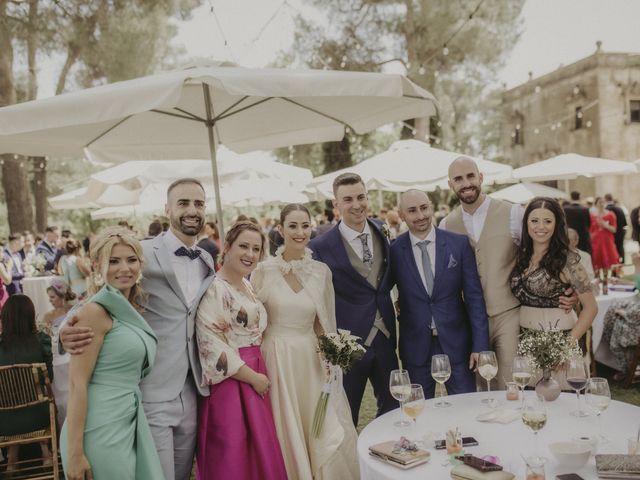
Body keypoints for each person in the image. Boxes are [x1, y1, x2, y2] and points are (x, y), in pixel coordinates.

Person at [61, 178, 216, 480]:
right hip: (152, 389)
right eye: (183, 203)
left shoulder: (207, 260)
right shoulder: (138, 254)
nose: (192, 210)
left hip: (193, 388)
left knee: (183, 473)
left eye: (198, 203)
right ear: (167, 209)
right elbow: (97, 299)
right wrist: (65, 333)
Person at [252, 204, 359, 479]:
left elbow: (322, 323)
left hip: (310, 358)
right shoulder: (263, 270)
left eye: (304, 225)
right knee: (285, 424)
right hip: (276, 357)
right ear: (280, 230)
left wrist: (330, 357)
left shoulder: (321, 272)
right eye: (293, 226)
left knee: (318, 425)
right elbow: (255, 323)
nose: (300, 232)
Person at [60, 227, 163, 480]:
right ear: (97, 266)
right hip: (99, 425)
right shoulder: (95, 312)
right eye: (113, 261)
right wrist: (75, 453)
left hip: (127, 416)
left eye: (131, 260)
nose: (124, 268)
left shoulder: (127, 308)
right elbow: (76, 384)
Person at [196, 221, 287, 480]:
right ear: (227, 247)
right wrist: (252, 377)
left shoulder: (246, 285)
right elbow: (210, 343)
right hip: (233, 380)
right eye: (243, 246)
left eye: (256, 249)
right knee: (234, 453)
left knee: (259, 449)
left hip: (256, 370)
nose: (250, 254)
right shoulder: (215, 288)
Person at [309, 172, 398, 424]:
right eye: (348, 199)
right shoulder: (320, 246)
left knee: (393, 407)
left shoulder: (382, 230)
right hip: (347, 343)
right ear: (336, 205)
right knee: (347, 416)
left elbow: (386, 277)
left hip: (385, 336)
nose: (356, 205)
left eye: (361, 197)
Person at [391, 190, 489, 399]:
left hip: (458, 345)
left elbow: (474, 298)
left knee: (465, 408)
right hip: (416, 348)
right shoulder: (394, 251)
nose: (420, 215)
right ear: (401, 215)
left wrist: (480, 345)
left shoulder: (459, 244)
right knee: (418, 412)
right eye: (412, 211)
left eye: (424, 208)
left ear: (431, 207)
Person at [439, 156, 524, 389]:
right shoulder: (446, 225)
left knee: (511, 383)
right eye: (458, 179)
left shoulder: (513, 213)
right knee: (482, 386)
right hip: (470, 320)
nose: (466, 183)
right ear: (451, 184)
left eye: (470, 176)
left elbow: (538, 256)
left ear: (481, 178)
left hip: (509, 313)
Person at [510, 197, 597, 384]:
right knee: (530, 404)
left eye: (547, 221)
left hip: (560, 342)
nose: (540, 227)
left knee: (563, 404)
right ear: (526, 224)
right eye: (534, 220)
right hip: (526, 343)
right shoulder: (520, 255)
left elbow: (591, 308)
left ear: (557, 224)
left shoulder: (569, 260)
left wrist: (566, 346)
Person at [0, 295, 53, 472]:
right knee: (44, 398)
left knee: (12, 400)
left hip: (4, 423)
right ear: (31, 316)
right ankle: (46, 452)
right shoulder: (40, 341)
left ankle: (12, 458)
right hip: (37, 419)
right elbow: (49, 378)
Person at [40, 279, 76, 426]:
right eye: (49, 298)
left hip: (72, 353)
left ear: (61, 295)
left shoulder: (74, 311)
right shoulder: (48, 316)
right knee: (61, 396)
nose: (50, 301)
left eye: (52, 297)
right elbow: (45, 336)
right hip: (57, 356)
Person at [590, 196, 619, 285]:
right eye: (600, 202)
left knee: (607, 259)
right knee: (596, 260)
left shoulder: (610, 214)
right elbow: (590, 230)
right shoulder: (592, 216)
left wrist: (605, 225)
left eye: (603, 202)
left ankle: (607, 280)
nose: (602, 204)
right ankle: (597, 280)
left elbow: (614, 229)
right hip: (596, 241)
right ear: (596, 204)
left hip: (607, 241)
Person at [568, 228, 597, 293]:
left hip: (581, 291)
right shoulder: (556, 256)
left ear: (576, 241)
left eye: (569, 240)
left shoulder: (585, 256)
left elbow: (590, 276)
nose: (566, 243)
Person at [605, 193, 627, 263]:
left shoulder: (606, 210)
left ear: (605, 199)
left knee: (611, 249)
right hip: (620, 231)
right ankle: (622, 260)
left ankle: (613, 262)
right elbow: (624, 223)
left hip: (610, 233)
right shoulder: (620, 208)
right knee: (620, 246)